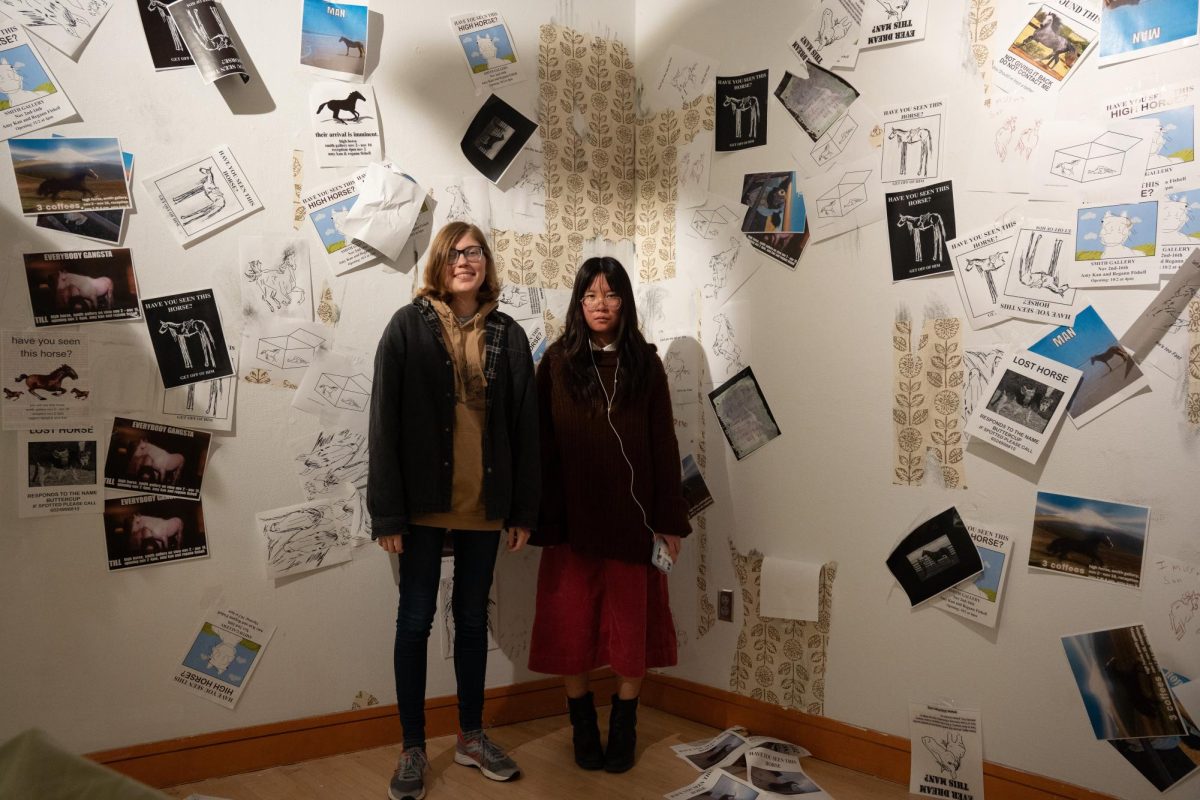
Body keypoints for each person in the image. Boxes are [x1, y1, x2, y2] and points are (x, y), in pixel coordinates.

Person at [368, 222, 539, 800]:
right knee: (413, 621)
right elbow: (383, 422)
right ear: (439, 264)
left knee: (472, 621)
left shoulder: (509, 335)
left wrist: (522, 509)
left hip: (484, 504)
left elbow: (525, 430)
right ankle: (413, 746)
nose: (466, 261)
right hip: (420, 507)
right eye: (455, 253)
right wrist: (387, 514)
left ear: (486, 263)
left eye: (475, 253)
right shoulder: (407, 328)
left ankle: (471, 735)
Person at [528, 256, 691, 773]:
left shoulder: (646, 362)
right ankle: (581, 724)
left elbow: (664, 446)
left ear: (626, 302)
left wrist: (668, 522)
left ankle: (625, 721)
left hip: (633, 525)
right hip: (571, 526)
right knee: (569, 630)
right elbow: (538, 447)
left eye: (612, 294)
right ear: (579, 303)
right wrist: (531, 516)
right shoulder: (555, 363)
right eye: (592, 295)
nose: (602, 305)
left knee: (630, 632)